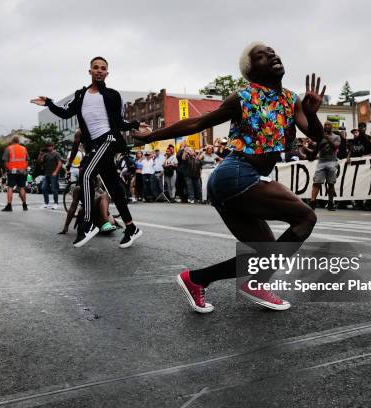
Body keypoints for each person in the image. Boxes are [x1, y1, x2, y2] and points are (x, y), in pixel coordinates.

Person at [133, 42, 325, 313]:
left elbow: (315, 134)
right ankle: (257, 284)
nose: (272, 55)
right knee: (306, 218)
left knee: (267, 253)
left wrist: (313, 114)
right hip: (236, 174)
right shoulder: (243, 97)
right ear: (250, 72)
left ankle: (197, 279)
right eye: (262, 55)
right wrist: (150, 137)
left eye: (273, 52)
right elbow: (197, 123)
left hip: (234, 182)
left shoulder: (291, 100)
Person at [31, 56, 148, 248]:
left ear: (107, 73)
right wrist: (49, 103)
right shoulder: (80, 95)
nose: (100, 71)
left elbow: (119, 122)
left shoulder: (112, 95)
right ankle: (131, 228)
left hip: (109, 139)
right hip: (95, 145)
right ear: (90, 71)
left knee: (86, 174)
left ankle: (86, 224)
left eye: (103, 68)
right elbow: (65, 112)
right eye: (96, 68)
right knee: (113, 188)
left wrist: (135, 124)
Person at [309, 121, 340, 211]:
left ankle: (330, 202)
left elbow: (335, 147)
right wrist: (313, 144)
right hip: (321, 161)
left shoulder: (336, 136)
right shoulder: (320, 137)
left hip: (332, 161)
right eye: (325, 125)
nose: (326, 126)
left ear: (331, 126)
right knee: (316, 182)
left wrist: (328, 138)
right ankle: (312, 202)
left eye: (328, 125)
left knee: (331, 183)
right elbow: (316, 148)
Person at [1, 136, 29, 212]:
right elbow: (27, 161)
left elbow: (5, 161)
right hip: (22, 171)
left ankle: (9, 206)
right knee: (22, 187)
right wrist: (24, 168)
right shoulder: (24, 149)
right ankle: (24, 205)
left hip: (12, 171)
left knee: (10, 187)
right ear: (18, 141)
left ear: (12, 141)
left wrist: (8, 169)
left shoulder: (9, 148)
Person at [37, 142, 63, 210]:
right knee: (44, 188)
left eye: (50, 146)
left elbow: (60, 163)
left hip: (54, 174)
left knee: (54, 189)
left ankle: (56, 203)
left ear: (53, 146)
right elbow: (39, 162)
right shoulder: (46, 154)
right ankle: (46, 203)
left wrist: (55, 172)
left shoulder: (56, 154)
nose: (49, 147)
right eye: (48, 146)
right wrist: (40, 154)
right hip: (47, 174)